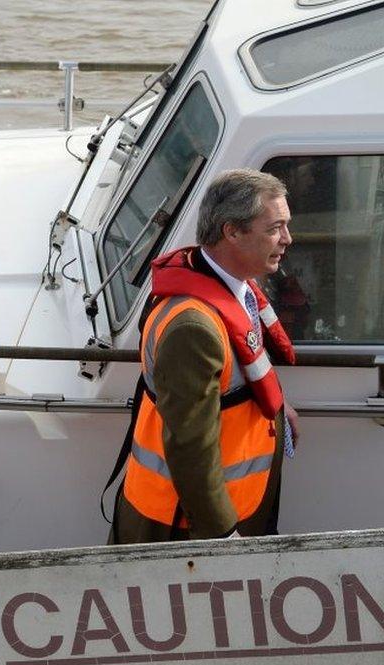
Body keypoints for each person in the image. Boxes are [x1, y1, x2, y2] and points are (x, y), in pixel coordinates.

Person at [110, 168, 299, 544]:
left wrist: (279, 408)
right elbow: (189, 447)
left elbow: (238, 370)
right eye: (274, 228)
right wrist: (221, 535)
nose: (287, 239)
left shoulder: (232, 286)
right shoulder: (193, 329)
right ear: (232, 231)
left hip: (238, 500)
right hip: (188, 528)